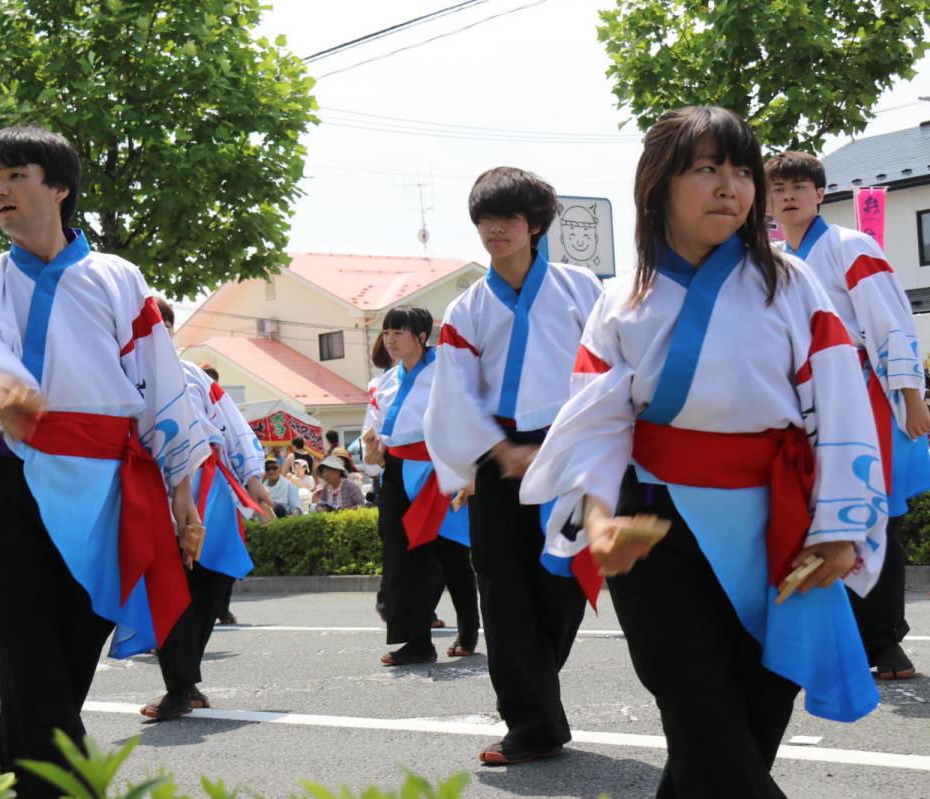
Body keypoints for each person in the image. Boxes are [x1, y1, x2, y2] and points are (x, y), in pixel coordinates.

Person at [522, 106, 884, 798]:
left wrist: (840, 525)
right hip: (656, 523)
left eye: (742, 170)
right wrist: (598, 520)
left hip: (780, 525)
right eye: (707, 168)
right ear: (659, 183)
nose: (731, 186)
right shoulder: (620, 300)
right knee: (701, 713)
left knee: (750, 716)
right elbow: (595, 425)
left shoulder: (789, 281)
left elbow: (840, 401)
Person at [0, 125, 207, 797]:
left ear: (58, 187)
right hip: (23, 473)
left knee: (67, 653)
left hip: (110, 486)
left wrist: (183, 489)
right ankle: (61, 788)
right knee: (28, 647)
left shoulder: (117, 278)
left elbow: (159, 383)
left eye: (16, 175)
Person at [424, 166, 602, 765]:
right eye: (484, 219)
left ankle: (534, 687)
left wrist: (580, 446)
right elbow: (454, 391)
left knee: (561, 583)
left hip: (571, 451)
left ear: (535, 225)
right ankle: (531, 724)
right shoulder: (464, 309)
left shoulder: (582, 289)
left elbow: (609, 369)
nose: (494, 229)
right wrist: (500, 454)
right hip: (500, 459)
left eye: (507, 218)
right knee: (501, 591)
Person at [767, 149, 930, 680]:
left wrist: (911, 395)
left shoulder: (850, 245)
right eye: (778, 189)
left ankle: (884, 642)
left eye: (798, 186)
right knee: (815, 516)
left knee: (874, 512)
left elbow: (890, 321)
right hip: (800, 404)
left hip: (859, 394)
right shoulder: (767, 258)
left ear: (820, 193)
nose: (787, 196)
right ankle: (838, 639)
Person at [138, 299, 272, 719]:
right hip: (154, 488)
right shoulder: (124, 376)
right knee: (168, 590)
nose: (160, 331)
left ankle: (184, 684)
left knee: (210, 587)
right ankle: (181, 686)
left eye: (166, 324)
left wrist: (252, 479)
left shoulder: (196, 376)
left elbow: (233, 427)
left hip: (209, 486)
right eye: (151, 324)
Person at [365, 305, 480, 666]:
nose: (391, 340)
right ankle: (416, 641)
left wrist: (470, 471)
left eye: (399, 332)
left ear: (421, 336)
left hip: (437, 467)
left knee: (450, 551)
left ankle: (468, 629)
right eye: (387, 332)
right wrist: (372, 449)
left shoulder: (447, 371)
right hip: (396, 469)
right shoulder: (384, 380)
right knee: (400, 556)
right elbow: (376, 434)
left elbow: (467, 417)